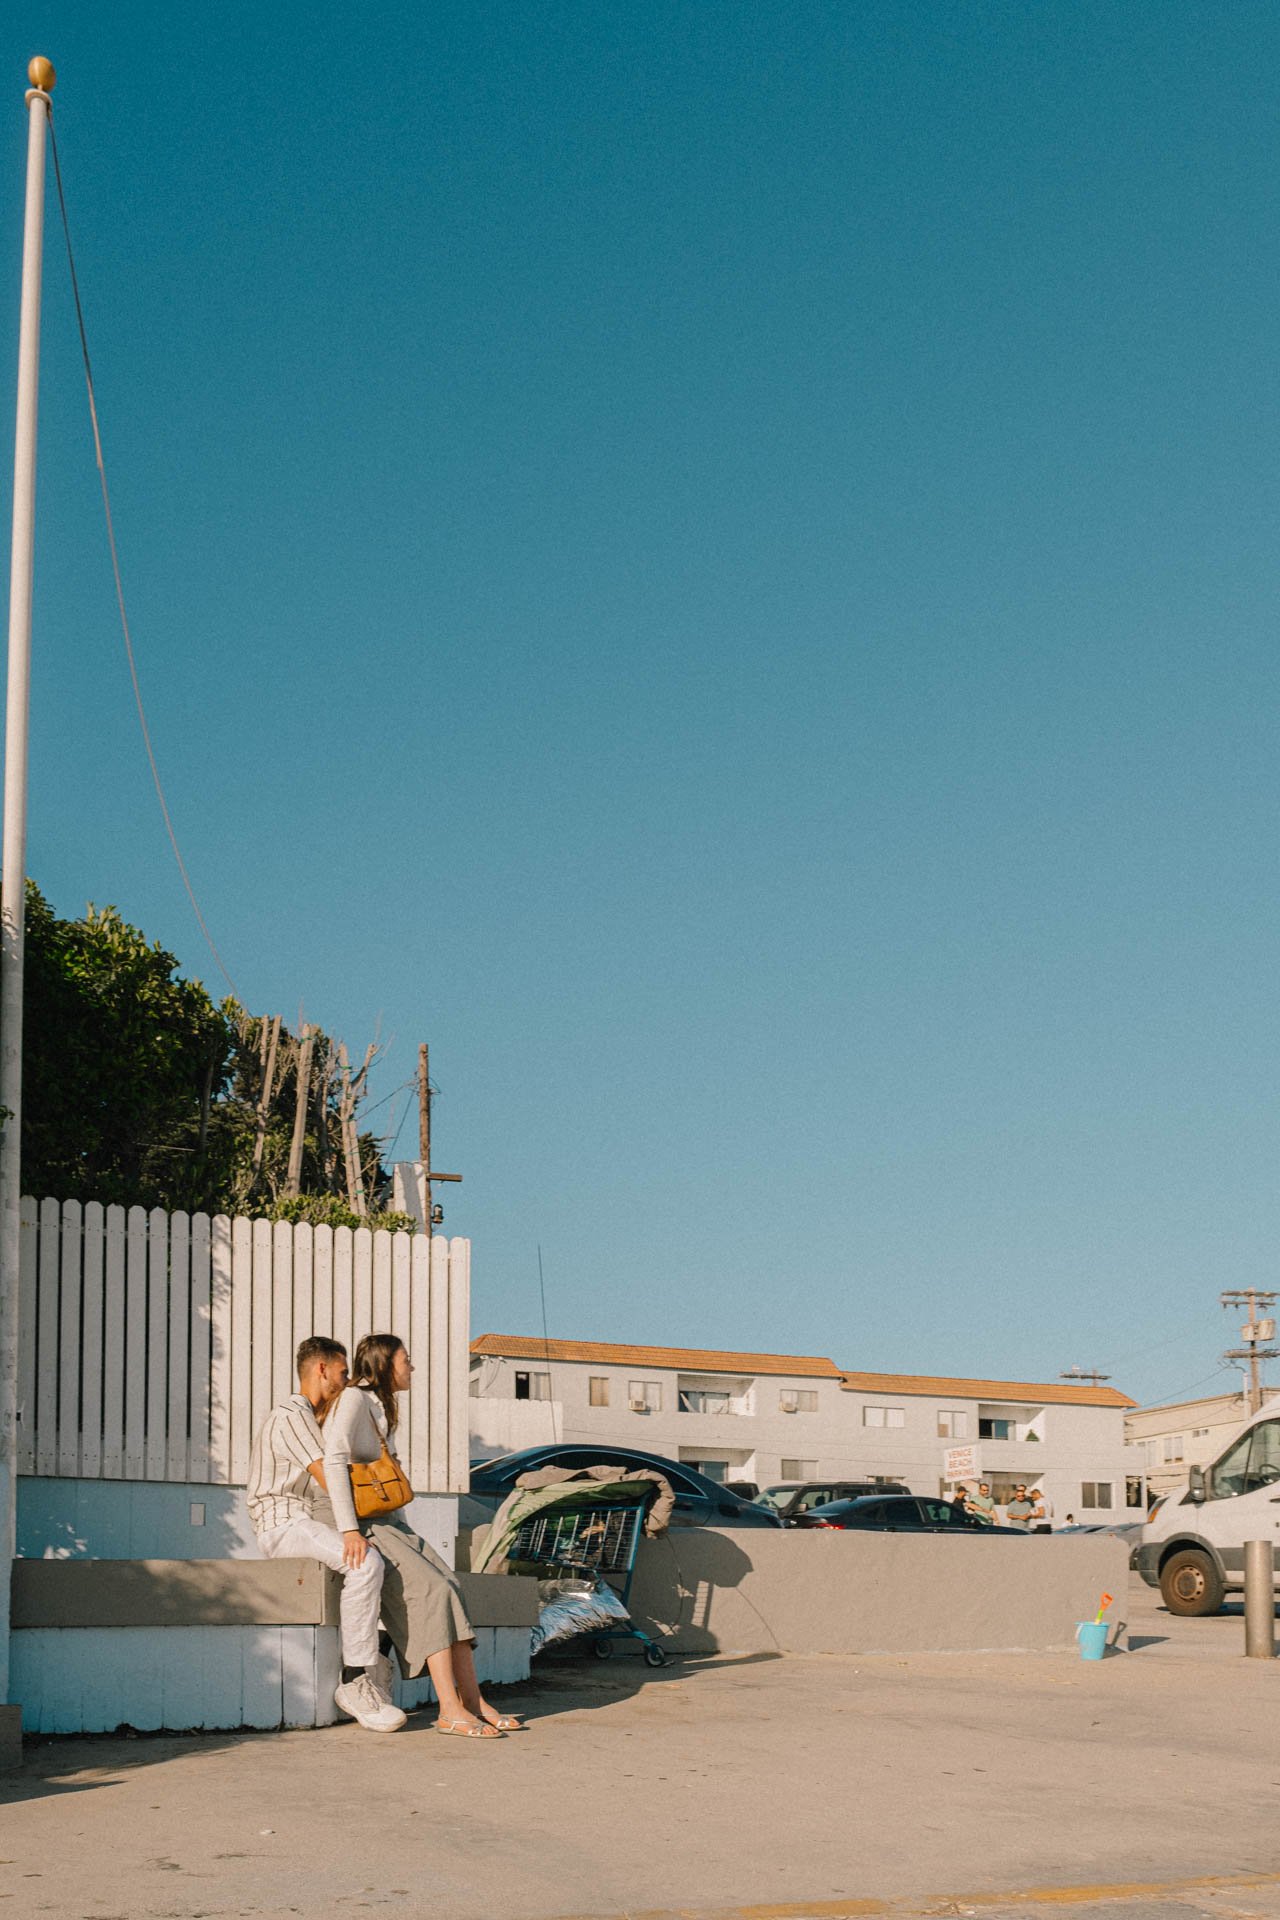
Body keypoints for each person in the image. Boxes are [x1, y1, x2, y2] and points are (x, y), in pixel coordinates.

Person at [322, 1332, 521, 1739]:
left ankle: (473, 1701)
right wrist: (347, 1529)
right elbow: (334, 1459)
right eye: (405, 1359)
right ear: (383, 1363)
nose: (411, 1367)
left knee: (450, 1586)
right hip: (365, 1524)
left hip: (392, 1520)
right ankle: (449, 1709)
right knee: (431, 1590)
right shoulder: (356, 1399)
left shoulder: (379, 1406)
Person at [248, 1336, 405, 1732]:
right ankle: (353, 1681)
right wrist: (352, 1532)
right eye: (341, 1371)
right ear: (321, 1370)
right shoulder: (292, 1414)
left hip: (305, 1519)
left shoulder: (311, 1417)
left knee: (391, 1565)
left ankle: (377, 1664)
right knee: (364, 1561)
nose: (347, 1379)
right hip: (284, 1523)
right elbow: (326, 1475)